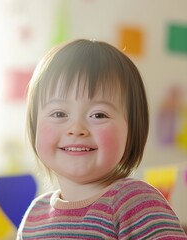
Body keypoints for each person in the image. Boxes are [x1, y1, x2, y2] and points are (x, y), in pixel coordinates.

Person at [17, 39, 187, 239]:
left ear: (132, 129)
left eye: (98, 115)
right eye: (59, 114)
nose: (76, 129)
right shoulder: (35, 215)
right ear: (34, 124)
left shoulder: (133, 202)